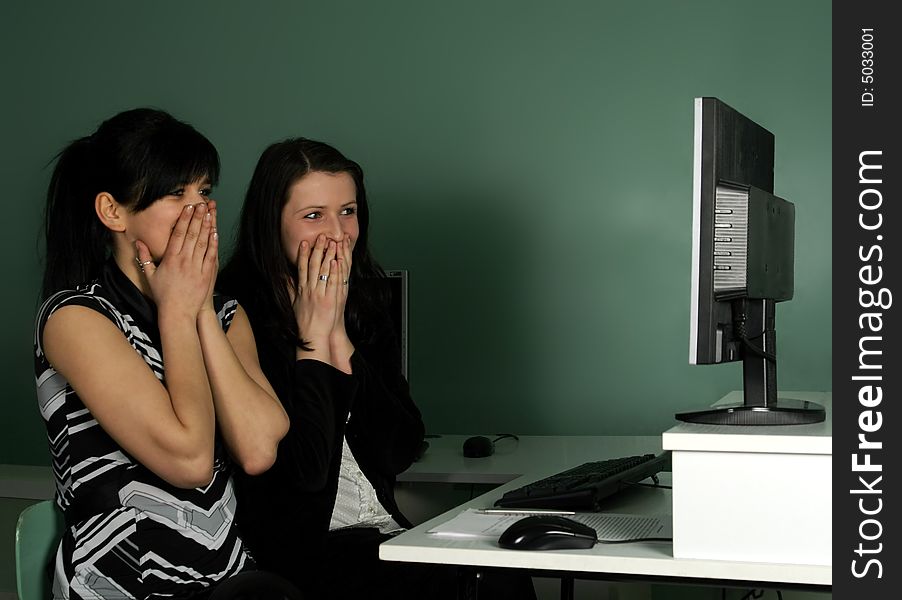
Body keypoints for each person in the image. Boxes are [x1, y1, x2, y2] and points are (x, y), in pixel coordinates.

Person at [219, 138, 536, 600]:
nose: (336, 233)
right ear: (272, 224)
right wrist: (313, 335)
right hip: (298, 545)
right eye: (313, 216)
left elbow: (400, 447)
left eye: (347, 211)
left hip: (381, 531)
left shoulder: (365, 304)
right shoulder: (233, 315)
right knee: (471, 583)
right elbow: (297, 474)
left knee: (499, 567)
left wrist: (339, 334)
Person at [35, 108, 299, 600]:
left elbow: (259, 447)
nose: (200, 210)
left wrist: (198, 308)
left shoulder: (223, 313)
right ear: (113, 212)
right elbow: (191, 460)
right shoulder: (75, 318)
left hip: (226, 577)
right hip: (123, 582)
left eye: (204, 192)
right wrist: (177, 313)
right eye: (176, 194)